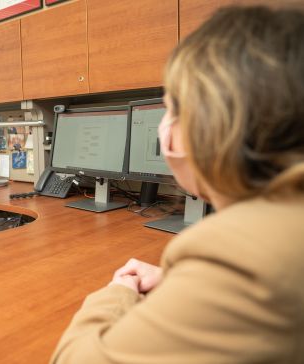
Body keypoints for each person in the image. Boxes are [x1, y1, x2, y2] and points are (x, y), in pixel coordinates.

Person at [51, 5, 304, 363]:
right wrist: (182, 283)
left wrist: (118, 292)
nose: (163, 125)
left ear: (214, 124)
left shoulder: (240, 260)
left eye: (171, 108)